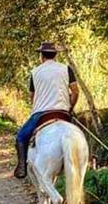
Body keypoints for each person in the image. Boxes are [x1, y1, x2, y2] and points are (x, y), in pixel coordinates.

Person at [13, 42, 79, 178]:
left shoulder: (35, 72)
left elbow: (32, 97)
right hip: (63, 111)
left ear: (41, 56)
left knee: (21, 136)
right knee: (77, 134)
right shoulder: (66, 69)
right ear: (55, 55)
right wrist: (70, 107)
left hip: (41, 113)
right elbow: (75, 91)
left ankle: (21, 167)